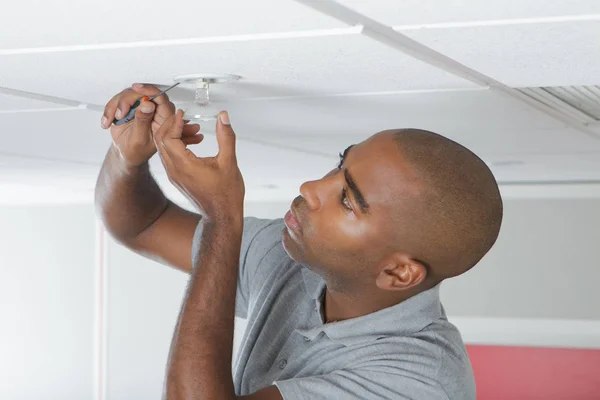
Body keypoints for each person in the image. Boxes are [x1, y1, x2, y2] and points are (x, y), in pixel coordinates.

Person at [96, 83, 503, 400]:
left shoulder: (417, 382)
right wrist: (128, 156)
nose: (311, 187)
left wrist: (222, 218)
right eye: (339, 166)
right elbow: (142, 225)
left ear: (399, 271)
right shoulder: (294, 257)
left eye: (347, 200)